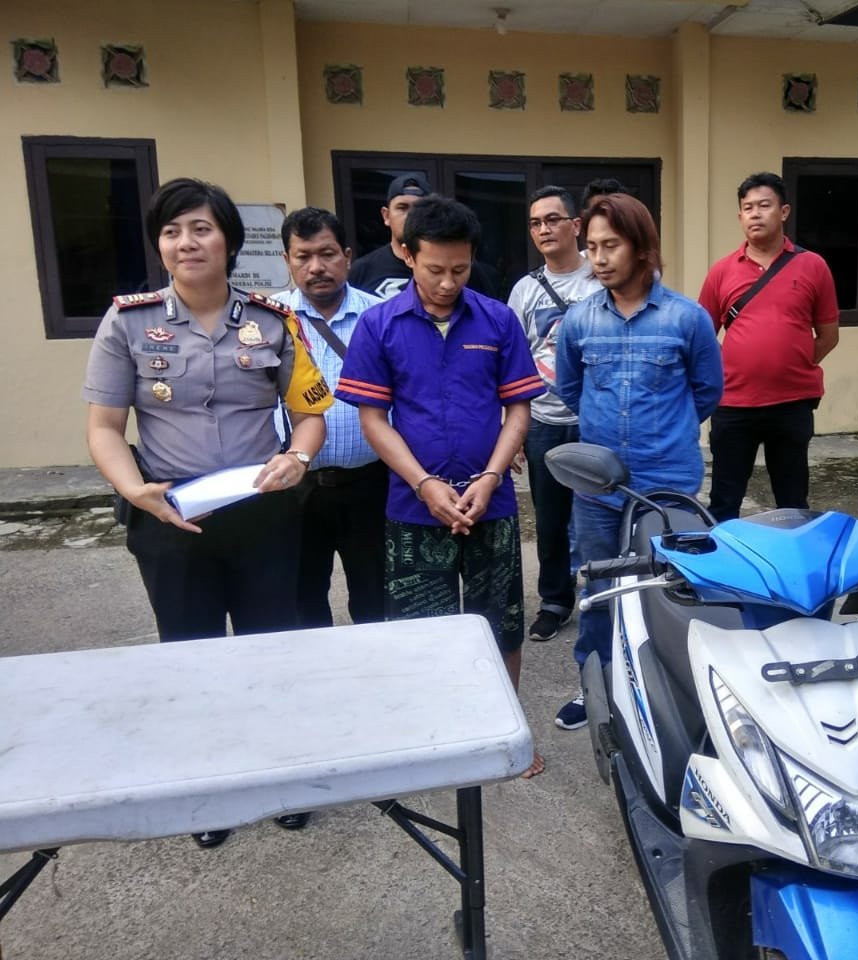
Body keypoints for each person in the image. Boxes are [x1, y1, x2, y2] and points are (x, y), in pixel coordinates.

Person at [83, 177, 333, 847]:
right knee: (189, 654)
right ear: (159, 245)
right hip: (170, 517)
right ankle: (208, 789)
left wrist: (298, 457)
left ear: (228, 240)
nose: (186, 242)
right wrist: (134, 489)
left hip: (263, 514)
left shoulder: (273, 321)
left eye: (200, 229)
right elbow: (104, 427)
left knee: (268, 647)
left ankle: (279, 776)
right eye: (171, 232)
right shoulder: (127, 322)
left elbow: (310, 414)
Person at [335, 195, 547, 776]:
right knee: (420, 632)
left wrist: (492, 476)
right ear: (407, 254)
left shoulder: (497, 320)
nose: (448, 282)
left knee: (500, 622)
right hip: (414, 507)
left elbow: (519, 409)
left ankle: (505, 735)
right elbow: (374, 420)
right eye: (435, 269)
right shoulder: (380, 325)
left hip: (490, 504)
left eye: (460, 268)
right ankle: (432, 737)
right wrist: (424, 483)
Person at [554, 193, 723, 731]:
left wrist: (664, 433)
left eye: (611, 245)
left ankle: (669, 687)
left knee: (669, 586)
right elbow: (570, 388)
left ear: (642, 247)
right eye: (592, 247)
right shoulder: (580, 321)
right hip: (596, 486)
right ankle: (597, 684)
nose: (598, 258)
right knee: (599, 587)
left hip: (666, 482)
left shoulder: (687, 319)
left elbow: (707, 391)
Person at [698, 171, 839, 522]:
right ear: (740, 216)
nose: (755, 214)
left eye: (764, 205)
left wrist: (792, 364)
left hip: (791, 405)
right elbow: (702, 337)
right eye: (748, 208)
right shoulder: (722, 271)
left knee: (793, 502)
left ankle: (794, 556)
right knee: (724, 502)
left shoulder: (813, 266)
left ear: (784, 211)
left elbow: (828, 335)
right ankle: (725, 557)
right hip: (733, 404)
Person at [276, 206, 387, 627]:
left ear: (347, 256)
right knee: (301, 603)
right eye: (303, 256)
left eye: (327, 254)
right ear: (287, 261)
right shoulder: (267, 319)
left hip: (370, 485)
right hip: (294, 488)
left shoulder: (381, 316)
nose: (316, 267)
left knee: (376, 601)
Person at [507, 186, 600, 643]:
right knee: (549, 520)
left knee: (601, 514)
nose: (544, 229)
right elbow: (511, 362)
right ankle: (555, 601)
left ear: (575, 225)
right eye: (535, 223)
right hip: (543, 421)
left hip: (596, 419)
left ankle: (604, 594)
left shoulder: (599, 278)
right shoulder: (524, 290)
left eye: (553, 219)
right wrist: (511, 430)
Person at [348, 175, 498, 299]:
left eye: (418, 209)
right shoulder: (362, 270)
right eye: (402, 207)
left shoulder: (472, 272)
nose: (410, 216)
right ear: (386, 215)